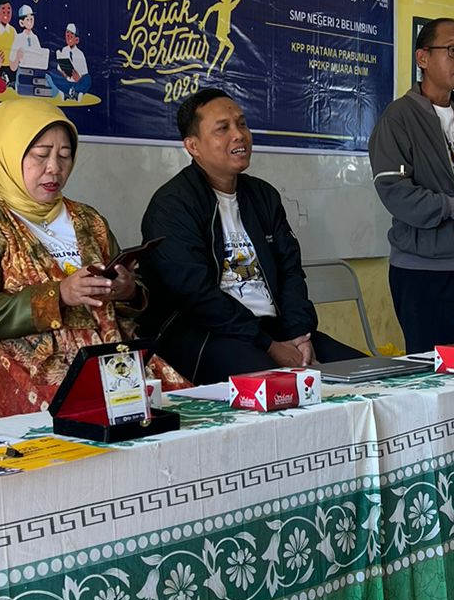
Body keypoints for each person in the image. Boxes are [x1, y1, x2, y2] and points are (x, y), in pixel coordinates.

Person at [0, 102, 148, 417]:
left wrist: (128, 291)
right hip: (23, 368)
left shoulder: (88, 219)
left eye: (65, 155)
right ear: (10, 154)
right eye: (41, 154)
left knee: (173, 411)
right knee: (88, 418)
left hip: (109, 359)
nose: (54, 168)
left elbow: (130, 286)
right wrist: (58, 295)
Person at [141, 87, 362, 383]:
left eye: (242, 124)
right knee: (285, 387)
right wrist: (269, 345)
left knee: (374, 376)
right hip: (207, 336)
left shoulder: (263, 196)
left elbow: (290, 271)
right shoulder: (172, 205)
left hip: (275, 331)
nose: (239, 135)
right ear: (193, 146)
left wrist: (300, 335)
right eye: (223, 128)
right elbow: (195, 295)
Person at [368, 18, 454, 352]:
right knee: (434, 373)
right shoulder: (398, 118)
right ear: (423, 58)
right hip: (423, 273)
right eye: (453, 50)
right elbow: (395, 192)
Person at [49, 22, 91, 99]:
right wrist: (63, 69)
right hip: (65, 80)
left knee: (87, 80)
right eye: (67, 33)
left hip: (77, 81)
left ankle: (75, 93)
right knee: (52, 74)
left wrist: (73, 73)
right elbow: (60, 69)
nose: (69, 36)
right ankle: (67, 93)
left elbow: (81, 74)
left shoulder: (80, 54)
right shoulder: (63, 51)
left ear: (77, 39)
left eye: (71, 34)